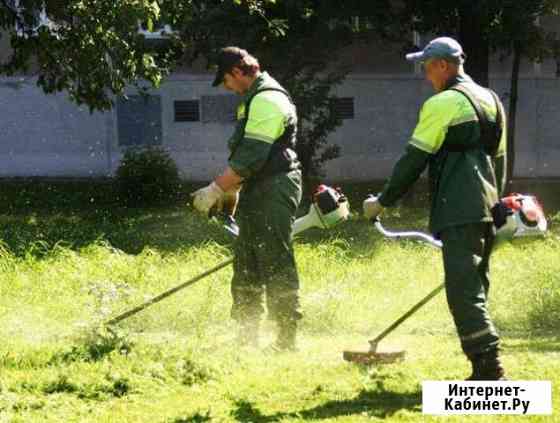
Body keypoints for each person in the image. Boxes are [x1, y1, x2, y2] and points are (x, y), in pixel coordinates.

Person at [363, 37, 507, 380]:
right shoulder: (492, 100)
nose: (426, 76)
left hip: (459, 206)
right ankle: (484, 368)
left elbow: (414, 158)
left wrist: (382, 202)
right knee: (475, 285)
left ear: (443, 65)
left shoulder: (443, 104)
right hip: (488, 207)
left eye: (427, 68)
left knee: (463, 291)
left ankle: (491, 371)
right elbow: (499, 160)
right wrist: (496, 203)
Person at [191, 47, 303, 351]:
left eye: (226, 80)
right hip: (257, 187)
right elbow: (243, 156)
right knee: (246, 262)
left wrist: (215, 189)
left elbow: (252, 157)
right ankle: (246, 335)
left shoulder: (267, 99)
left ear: (238, 72)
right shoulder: (251, 101)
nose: (227, 87)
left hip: (276, 186)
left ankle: (285, 339)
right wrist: (231, 192)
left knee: (275, 260)